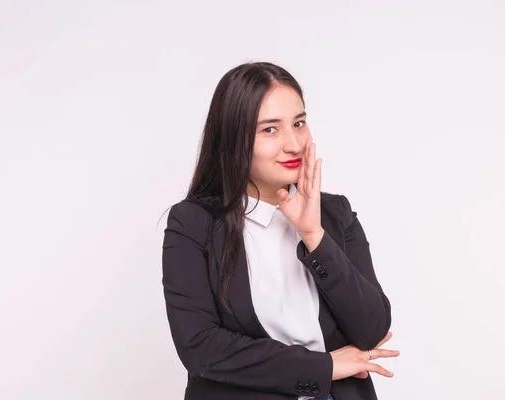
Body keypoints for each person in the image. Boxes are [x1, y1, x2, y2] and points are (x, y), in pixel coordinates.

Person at [161, 61, 399, 400]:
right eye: (269, 129)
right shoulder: (193, 223)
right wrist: (324, 367)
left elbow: (372, 329)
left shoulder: (335, 213)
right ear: (233, 140)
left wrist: (314, 236)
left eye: (299, 123)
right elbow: (201, 347)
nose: (293, 143)